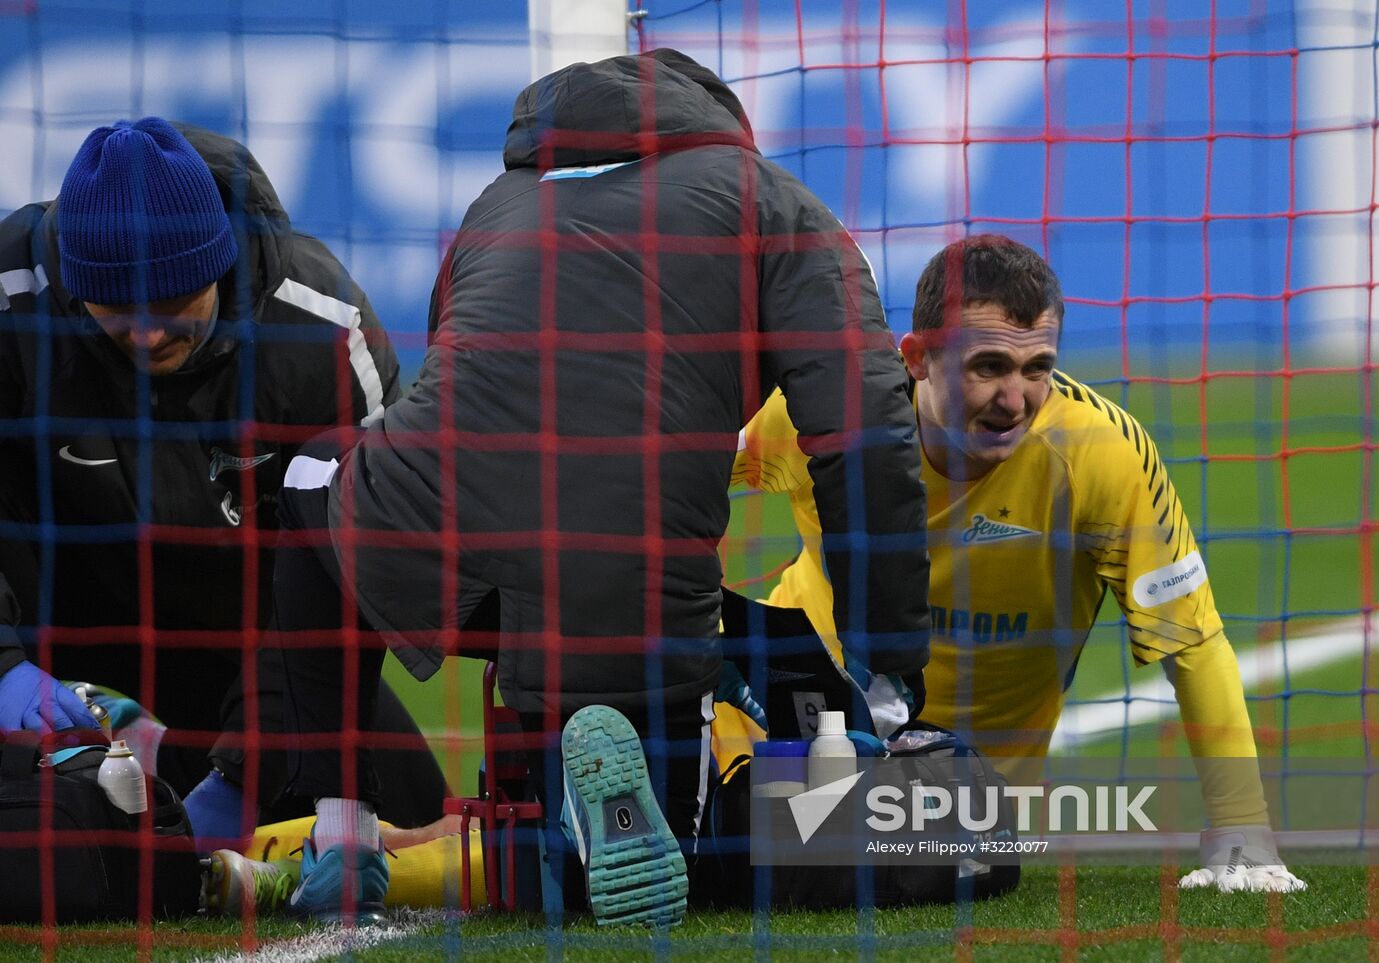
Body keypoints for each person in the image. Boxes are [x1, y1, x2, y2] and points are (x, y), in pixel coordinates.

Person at [272, 48, 931, 926]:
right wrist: (888, 659)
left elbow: (459, 388)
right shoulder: (770, 200)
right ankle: (595, 802)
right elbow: (867, 431)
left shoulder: (494, 204)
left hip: (457, 565)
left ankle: (343, 822)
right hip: (640, 590)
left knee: (311, 472)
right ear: (719, 124)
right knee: (652, 863)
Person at [732, 234, 1306, 895]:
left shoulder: (1099, 455)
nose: (1016, 399)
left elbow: (1193, 641)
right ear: (917, 358)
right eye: (989, 367)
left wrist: (1244, 829)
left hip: (957, 792)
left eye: (1037, 368)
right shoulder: (829, 412)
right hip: (785, 725)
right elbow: (677, 487)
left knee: (804, 863)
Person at [0, 117, 447, 848]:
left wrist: (249, 767)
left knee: (426, 833)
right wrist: (5, 670)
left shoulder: (322, 331)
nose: (147, 334)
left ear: (219, 265)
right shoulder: (11, 299)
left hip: (264, 653)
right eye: (117, 310)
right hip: (58, 657)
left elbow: (362, 568)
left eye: (174, 304)